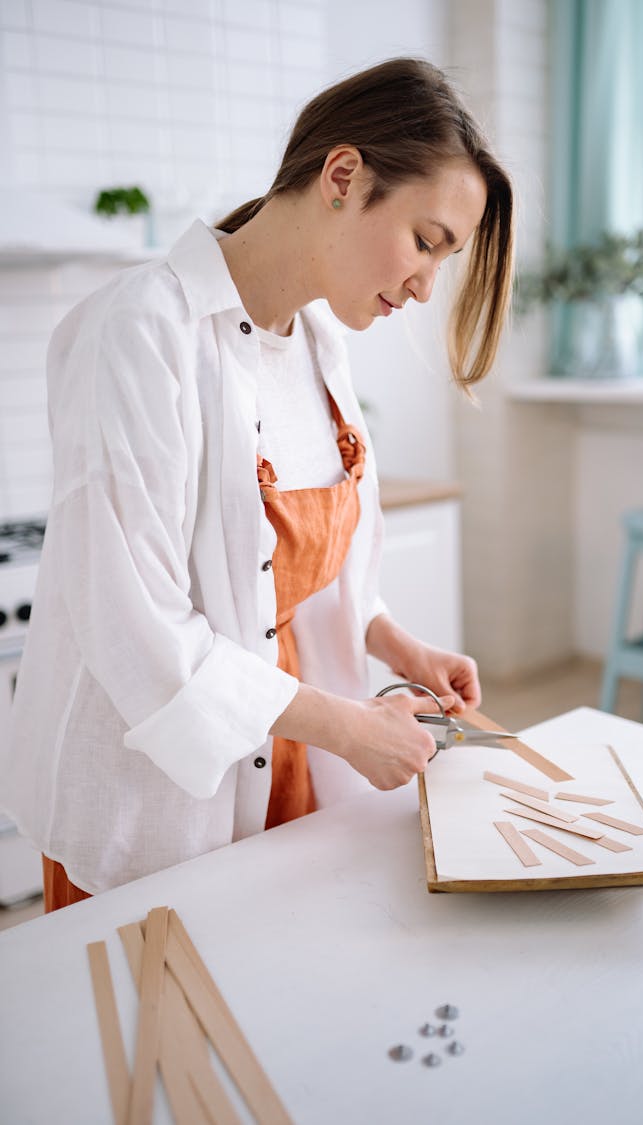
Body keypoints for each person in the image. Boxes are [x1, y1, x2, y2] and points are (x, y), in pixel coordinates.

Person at [0, 58, 514, 911]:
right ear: (344, 176)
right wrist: (349, 726)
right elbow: (143, 639)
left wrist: (397, 646)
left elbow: (307, 580)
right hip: (151, 808)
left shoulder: (320, 349)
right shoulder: (137, 332)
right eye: (426, 242)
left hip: (285, 769)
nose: (427, 286)